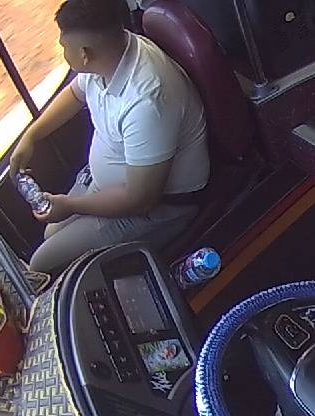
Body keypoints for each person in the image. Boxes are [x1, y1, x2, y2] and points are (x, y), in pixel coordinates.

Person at [11, 0, 210, 274]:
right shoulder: (110, 56)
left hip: (156, 207)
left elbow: (140, 199)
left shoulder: (147, 100)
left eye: (64, 46)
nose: (62, 51)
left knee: (42, 264)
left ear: (84, 54)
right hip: (111, 183)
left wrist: (69, 205)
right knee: (50, 234)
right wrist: (31, 136)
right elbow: (75, 94)